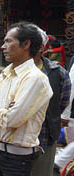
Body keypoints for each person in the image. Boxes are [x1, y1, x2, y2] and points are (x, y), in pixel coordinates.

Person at [0, 22, 53, 176]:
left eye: (8, 41)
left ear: (26, 44)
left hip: (18, 157)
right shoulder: (5, 74)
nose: (3, 46)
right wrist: (3, 111)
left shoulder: (35, 79)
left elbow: (12, 119)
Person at [31, 26, 71, 176]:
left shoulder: (58, 72)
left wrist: (50, 115)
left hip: (45, 135)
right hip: (15, 141)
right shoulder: (11, 72)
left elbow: (62, 102)